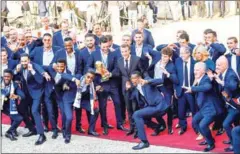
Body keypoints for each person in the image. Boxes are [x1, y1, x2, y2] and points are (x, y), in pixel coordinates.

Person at [87, 36, 128, 135]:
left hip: (112, 83)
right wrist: (96, 71)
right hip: (100, 84)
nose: (105, 49)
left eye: (107, 47)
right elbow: (88, 67)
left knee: (118, 103)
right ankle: (104, 125)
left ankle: (119, 124)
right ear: (99, 45)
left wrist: (110, 74)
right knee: (103, 106)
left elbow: (117, 69)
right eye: (103, 47)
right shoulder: (94, 54)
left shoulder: (114, 54)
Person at [128, 71, 169, 150]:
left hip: (159, 106)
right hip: (151, 107)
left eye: (134, 79)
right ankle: (158, 126)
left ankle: (144, 142)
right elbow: (131, 98)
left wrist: (147, 81)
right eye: (131, 79)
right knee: (140, 116)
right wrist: (128, 89)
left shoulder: (147, 80)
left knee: (137, 114)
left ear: (139, 78)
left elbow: (161, 80)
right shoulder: (136, 88)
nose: (133, 81)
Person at [14, 53, 46, 145]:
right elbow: (13, 73)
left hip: (36, 93)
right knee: (20, 109)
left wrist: (32, 71)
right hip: (26, 93)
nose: (24, 63)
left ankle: (41, 135)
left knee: (34, 111)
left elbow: (40, 81)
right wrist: (16, 71)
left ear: (29, 60)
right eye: (22, 61)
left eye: (25, 61)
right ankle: (32, 129)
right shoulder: (20, 67)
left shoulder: (35, 66)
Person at [184, 62, 216, 152]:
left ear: (203, 71)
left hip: (210, 109)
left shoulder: (205, 79)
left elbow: (207, 87)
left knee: (203, 125)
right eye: (194, 69)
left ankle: (211, 144)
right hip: (203, 108)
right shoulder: (198, 78)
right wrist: (193, 88)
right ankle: (208, 138)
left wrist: (193, 89)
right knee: (195, 122)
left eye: (197, 70)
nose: (195, 72)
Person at [117, 44, 143, 136]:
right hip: (125, 89)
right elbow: (120, 74)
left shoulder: (137, 59)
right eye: (122, 51)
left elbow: (141, 73)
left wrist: (132, 83)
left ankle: (137, 130)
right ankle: (132, 128)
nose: (124, 53)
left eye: (125, 51)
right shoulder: (119, 61)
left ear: (129, 51)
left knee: (135, 109)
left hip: (135, 88)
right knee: (129, 109)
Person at [214, 56, 240, 152]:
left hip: (235, 105)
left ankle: (234, 144)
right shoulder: (222, 73)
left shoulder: (231, 74)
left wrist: (222, 82)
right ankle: (236, 140)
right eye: (216, 64)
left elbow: (233, 86)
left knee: (226, 124)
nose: (217, 67)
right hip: (229, 104)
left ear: (225, 65)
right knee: (236, 124)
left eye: (219, 65)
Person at [174, 46, 196, 135]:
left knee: (194, 110)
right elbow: (175, 76)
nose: (181, 55)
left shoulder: (195, 62)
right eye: (180, 53)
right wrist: (175, 89)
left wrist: (194, 88)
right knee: (181, 111)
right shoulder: (178, 61)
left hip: (191, 90)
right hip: (181, 90)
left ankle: (196, 127)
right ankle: (183, 126)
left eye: (183, 53)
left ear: (189, 53)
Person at [73, 70, 100, 136]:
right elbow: (70, 78)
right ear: (85, 75)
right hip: (75, 98)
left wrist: (99, 88)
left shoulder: (92, 83)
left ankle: (91, 130)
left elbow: (99, 88)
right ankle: (78, 127)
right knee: (78, 112)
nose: (89, 79)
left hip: (84, 100)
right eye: (88, 77)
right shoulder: (79, 77)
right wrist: (66, 84)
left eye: (91, 78)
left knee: (95, 110)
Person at [1, 69, 24, 141]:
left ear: (11, 77)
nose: (6, 78)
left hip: (7, 106)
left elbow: (22, 95)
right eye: (5, 76)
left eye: (8, 76)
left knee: (19, 118)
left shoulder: (15, 85)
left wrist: (17, 96)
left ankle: (9, 132)